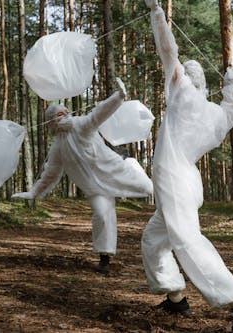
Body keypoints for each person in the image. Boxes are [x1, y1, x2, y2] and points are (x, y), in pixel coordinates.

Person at [142, 1, 233, 332]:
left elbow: (168, 48)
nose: (176, 72)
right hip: (185, 181)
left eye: (181, 71)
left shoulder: (182, 94)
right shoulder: (218, 114)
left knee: (188, 243)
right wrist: (232, 79)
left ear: (184, 78)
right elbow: (232, 105)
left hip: (174, 180)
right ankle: (176, 300)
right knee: (154, 241)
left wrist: (157, 12)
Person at [12, 78, 153, 274]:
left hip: (115, 172)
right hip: (94, 188)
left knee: (148, 189)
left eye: (64, 112)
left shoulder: (81, 125)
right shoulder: (57, 147)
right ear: (51, 122)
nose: (62, 116)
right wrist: (34, 192)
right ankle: (104, 257)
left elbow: (98, 114)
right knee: (102, 215)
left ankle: (131, 163)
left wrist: (118, 97)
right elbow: (50, 174)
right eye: (57, 115)